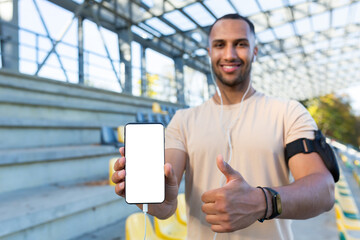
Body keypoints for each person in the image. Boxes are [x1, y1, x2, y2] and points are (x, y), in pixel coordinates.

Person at [112, 13, 335, 240]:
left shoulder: (289, 113)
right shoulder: (183, 120)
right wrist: (153, 198)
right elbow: (166, 208)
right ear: (210, 52)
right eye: (220, 45)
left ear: (254, 51)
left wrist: (262, 201)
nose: (229, 54)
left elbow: (324, 190)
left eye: (240, 44)